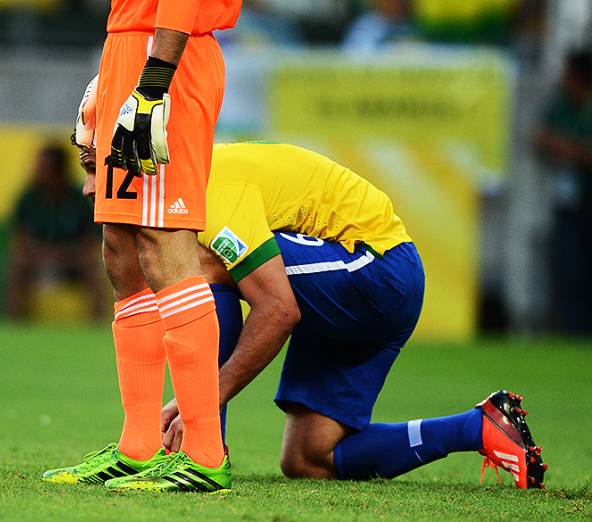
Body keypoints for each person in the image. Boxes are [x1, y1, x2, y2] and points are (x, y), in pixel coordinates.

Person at [72, 136, 548, 490]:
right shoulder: (191, 184)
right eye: (85, 169)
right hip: (356, 296)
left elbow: (278, 309)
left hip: (378, 268)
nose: (91, 188)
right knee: (308, 458)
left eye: (98, 170)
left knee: (205, 265)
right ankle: (478, 426)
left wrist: (205, 398)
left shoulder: (209, 189)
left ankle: (203, 452)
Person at [43, 0, 243, 493]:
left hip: (167, 56)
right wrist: (112, 70)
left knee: (163, 241)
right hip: (129, 51)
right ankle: (138, 447)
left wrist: (153, 79)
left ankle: (204, 454)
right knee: (122, 248)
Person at [5, 144, 107, 322]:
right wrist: (41, 254)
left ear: (59, 170)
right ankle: (14, 324)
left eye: (43, 167)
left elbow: (90, 239)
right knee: (16, 265)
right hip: (36, 259)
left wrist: (64, 255)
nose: (36, 171)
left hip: (71, 260)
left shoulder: (79, 198)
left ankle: (96, 324)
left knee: (92, 267)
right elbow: (18, 238)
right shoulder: (28, 198)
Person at [535, 50, 592, 334]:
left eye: (566, 72)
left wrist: (571, 150)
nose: (561, 78)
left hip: (587, 199)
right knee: (569, 270)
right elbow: (540, 138)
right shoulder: (562, 105)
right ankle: (573, 332)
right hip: (568, 202)